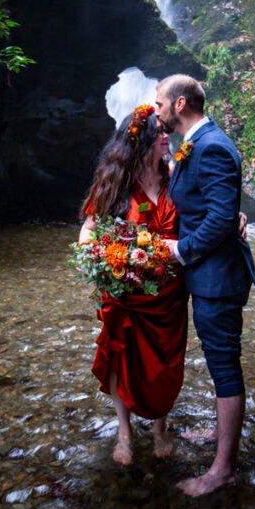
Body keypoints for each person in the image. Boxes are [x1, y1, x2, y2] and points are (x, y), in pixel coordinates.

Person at [154, 74, 255, 497]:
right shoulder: (195, 143)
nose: (155, 108)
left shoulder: (212, 145)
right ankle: (221, 438)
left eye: (159, 101)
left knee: (224, 365)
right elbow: (212, 207)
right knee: (220, 361)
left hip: (219, 278)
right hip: (210, 274)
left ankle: (222, 471)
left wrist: (179, 251)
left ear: (180, 104)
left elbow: (218, 218)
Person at [78, 104, 186, 465]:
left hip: (169, 295)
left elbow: (208, 212)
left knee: (167, 362)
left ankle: (160, 428)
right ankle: (124, 433)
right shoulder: (116, 184)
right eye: (160, 132)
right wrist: (97, 259)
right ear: (140, 142)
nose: (167, 136)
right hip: (127, 292)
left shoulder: (177, 177)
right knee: (120, 360)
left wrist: (237, 215)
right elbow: (89, 231)